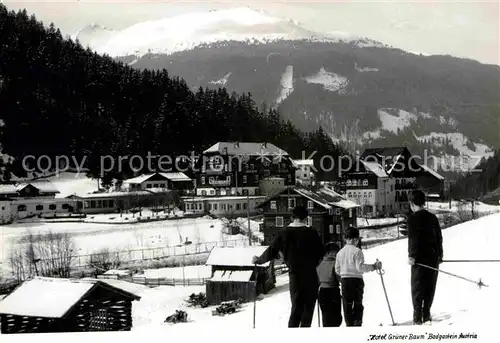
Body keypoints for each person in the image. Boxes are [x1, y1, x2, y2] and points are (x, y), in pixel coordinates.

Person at [252, 205, 324, 328]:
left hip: (295, 276)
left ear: (292, 218)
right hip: (311, 275)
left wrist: (258, 260)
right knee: (308, 310)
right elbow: (320, 253)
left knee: (296, 308)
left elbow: (271, 251)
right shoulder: (312, 233)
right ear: (306, 218)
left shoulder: (284, 233)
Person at [407, 189, 443, 325]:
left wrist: (412, 255)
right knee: (430, 286)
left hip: (419, 260)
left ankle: (417, 316)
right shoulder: (433, 218)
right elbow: (439, 238)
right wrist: (440, 255)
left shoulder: (413, 218)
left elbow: (413, 239)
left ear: (412, 204)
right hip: (433, 258)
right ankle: (426, 314)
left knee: (417, 286)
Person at [335, 227, 382, 326]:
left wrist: (344, 272)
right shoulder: (357, 251)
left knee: (347, 304)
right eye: (357, 240)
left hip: (344, 281)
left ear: (346, 239)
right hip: (356, 280)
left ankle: (349, 324)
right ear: (354, 239)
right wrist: (373, 266)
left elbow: (337, 270)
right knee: (357, 303)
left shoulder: (340, 252)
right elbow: (360, 267)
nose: (357, 242)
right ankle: (357, 322)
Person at [316, 242, 342, 327]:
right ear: (329, 252)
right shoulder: (335, 264)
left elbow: (317, 280)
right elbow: (340, 278)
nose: (337, 254)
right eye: (336, 252)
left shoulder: (319, 264)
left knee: (326, 316)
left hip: (322, 292)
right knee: (336, 318)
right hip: (333, 292)